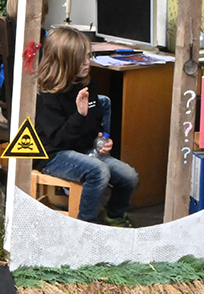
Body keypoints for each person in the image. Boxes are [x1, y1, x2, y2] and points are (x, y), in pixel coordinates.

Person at [33, 25, 139, 224]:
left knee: (129, 176)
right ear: (64, 61)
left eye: (88, 56)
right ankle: (86, 224)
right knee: (98, 172)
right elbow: (59, 141)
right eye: (80, 59)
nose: (87, 63)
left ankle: (113, 216)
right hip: (53, 155)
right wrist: (80, 115)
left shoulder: (88, 84)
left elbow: (95, 123)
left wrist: (101, 139)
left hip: (84, 150)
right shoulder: (46, 97)